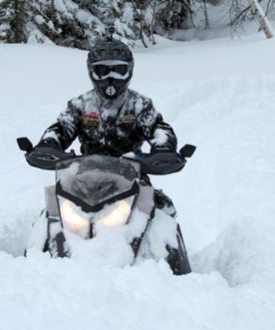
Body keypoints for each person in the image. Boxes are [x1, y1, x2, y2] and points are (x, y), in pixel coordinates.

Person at [37, 33, 178, 217]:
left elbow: (158, 128)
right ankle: (41, 245)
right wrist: (50, 144)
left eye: (118, 70)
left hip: (132, 176)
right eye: (102, 71)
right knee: (53, 213)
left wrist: (164, 147)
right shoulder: (80, 104)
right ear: (91, 72)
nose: (110, 78)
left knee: (161, 211)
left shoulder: (139, 105)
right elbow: (63, 127)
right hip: (84, 177)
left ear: (129, 70)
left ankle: (163, 244)